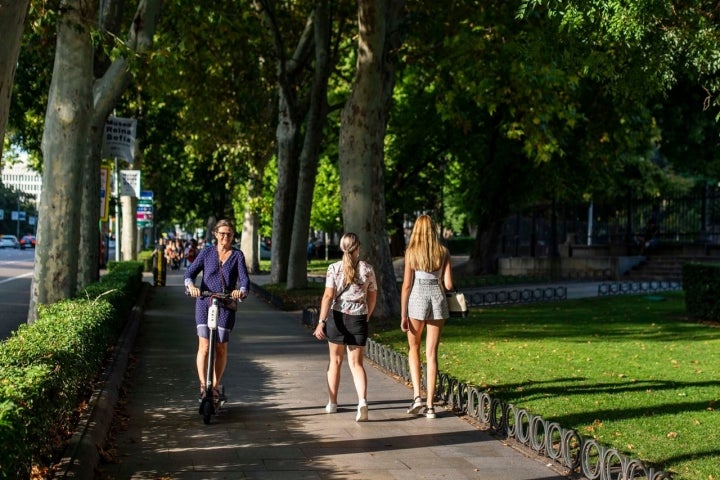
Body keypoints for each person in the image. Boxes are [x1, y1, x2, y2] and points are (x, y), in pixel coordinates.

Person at [313, 233, 377, 422]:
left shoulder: (334, 268)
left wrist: (321, 322)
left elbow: (327, 297)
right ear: (358, 247)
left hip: (337, 318)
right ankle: (362, 401)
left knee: (335, 361)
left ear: (342, 247)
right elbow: (372, 296)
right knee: (357, 364)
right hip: (358, 318)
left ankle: (332, 403)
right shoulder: (367, 269)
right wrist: (367, 315)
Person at [184, 219, 249, 403]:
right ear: (215, 234)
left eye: (229, 234)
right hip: (204, 302)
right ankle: (204, 386)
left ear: (233, 236)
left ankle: (215, 386)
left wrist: (240, 291)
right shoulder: (206, 253)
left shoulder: (237, 256)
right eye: (222, 234)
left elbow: (244, 280)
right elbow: (189, 273)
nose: (225, 237)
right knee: (204, 346)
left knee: (220, 346)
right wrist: (191, 286)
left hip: (225, 304)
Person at [400, 214, 454, 419]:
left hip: (417, 298)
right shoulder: (443, 252)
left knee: (413, 348)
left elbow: (406, 285)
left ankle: (417, 397)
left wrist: (403, 313)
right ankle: (431, 406)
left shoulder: (411, 252)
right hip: (437, 298)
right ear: (433, 231)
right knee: (432, 353)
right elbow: (448, 284)